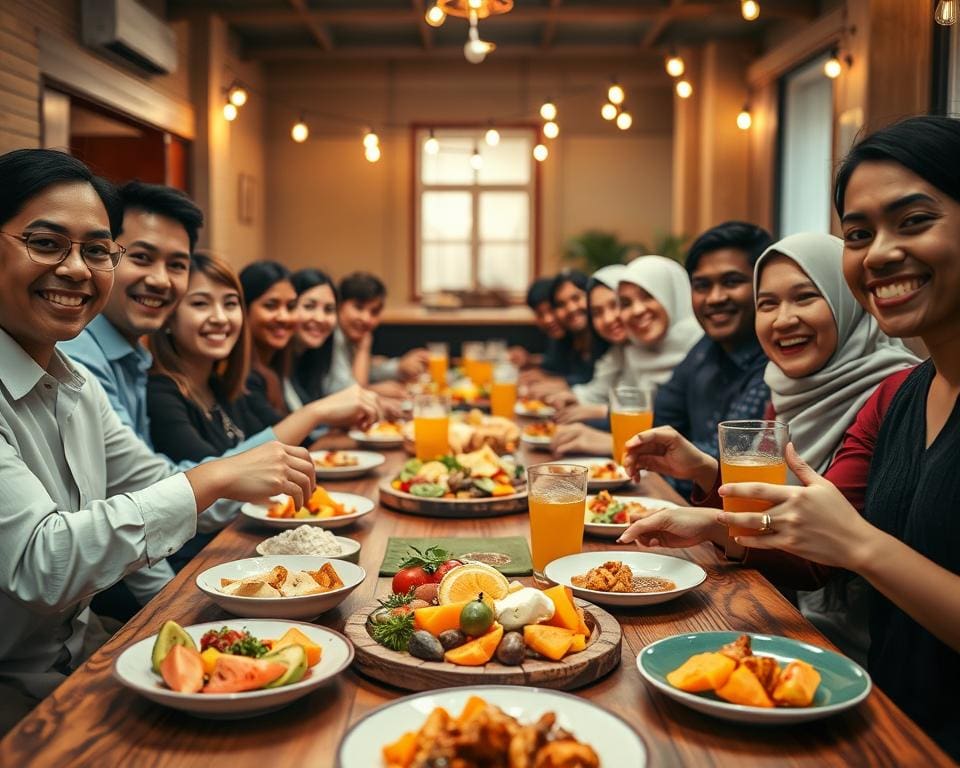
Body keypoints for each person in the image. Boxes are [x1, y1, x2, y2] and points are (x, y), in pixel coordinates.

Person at [623, 113, 960, 759]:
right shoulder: (898, 398)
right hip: (880, 710)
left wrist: (859, 546)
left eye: (914, 220)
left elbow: (837, 545)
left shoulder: (877, 385)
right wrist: (713, 501)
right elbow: (816, 540)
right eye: (859, 234)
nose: (880, 253)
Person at [0, 148, 314, 732]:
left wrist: (190, 625)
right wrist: (214, 477)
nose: (76, 269)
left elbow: (158, 493)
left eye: (97, 251)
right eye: (45, 243)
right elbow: (42, 563)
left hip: (82, 655)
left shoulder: (77, 385)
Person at [624, 232, 919, 659]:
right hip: (787, 609)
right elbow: (771, 510)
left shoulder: (893, 393)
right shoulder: (784, 388)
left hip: (857, 644)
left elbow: (817, 559)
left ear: (848, 300)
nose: (783, 320)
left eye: (805, 297)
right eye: (768, 304)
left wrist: (712, 523)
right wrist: (704, 470)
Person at [60, 181, 274, 612]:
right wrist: (169, 610)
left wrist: (170, 606)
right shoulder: (76, 356)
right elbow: (140, 501)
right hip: (86, 609)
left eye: (177, 265)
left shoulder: (132, 360)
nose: (159, 280)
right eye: (141, 257)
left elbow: (143, 496)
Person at [148, 253, 377, 464]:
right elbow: (206, 479)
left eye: (230, 304)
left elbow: (260, 454)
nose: (220, 318)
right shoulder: (160, 394)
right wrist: (317, 413)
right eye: (200, 303)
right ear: (168, 317)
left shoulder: (220, 387)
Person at [551, 255, 703, 456]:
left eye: (648, 296)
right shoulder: (638, 350)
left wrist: (615, 440)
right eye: (626, 303)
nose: (637, 310)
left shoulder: (703, 352)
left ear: (672, 294)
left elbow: (703, 443)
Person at [652, 222, 772, 458]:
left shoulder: (774, 358)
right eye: (702, 286)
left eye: (731, 281)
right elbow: (662, 420)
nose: (715, 298)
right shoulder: (705, 347)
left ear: (764, 284)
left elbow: (731, 456)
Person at [322, 272, 428, 395]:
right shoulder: (331, 336)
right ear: (339, 305)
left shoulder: (351, 336)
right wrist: (375, 390)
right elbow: (348, 395)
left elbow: (368, 371)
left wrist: (400, 366)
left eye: (374, 312)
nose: (366, 318)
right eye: (358, 307)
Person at [547, 265, 628, 424]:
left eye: (615, 305)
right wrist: (573, 396)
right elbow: (600, 389)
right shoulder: (618, 350)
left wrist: (599, 412)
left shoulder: (612, 342)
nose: (608, 319)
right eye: (597, 312)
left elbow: (656, 416)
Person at [290, 268, 338, 403]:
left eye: (329, 309)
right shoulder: (272, 365)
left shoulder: (313, 358)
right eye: (309, 306)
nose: (320, 318)